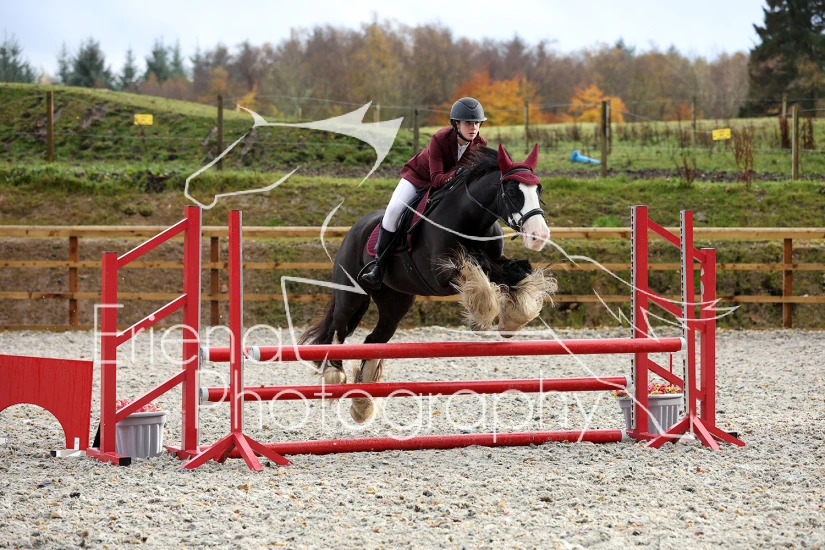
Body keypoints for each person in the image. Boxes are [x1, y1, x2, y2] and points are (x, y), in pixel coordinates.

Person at [359, 97, 489, 289]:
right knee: (394, 209)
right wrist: (459, 173)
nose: (473, 127)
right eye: (468, 122)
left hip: (449, 186)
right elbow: (436, 179)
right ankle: (379, 265)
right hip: (419, 178)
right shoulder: (440, 139)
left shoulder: (480, 144)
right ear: (456, 124)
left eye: (477, 122)